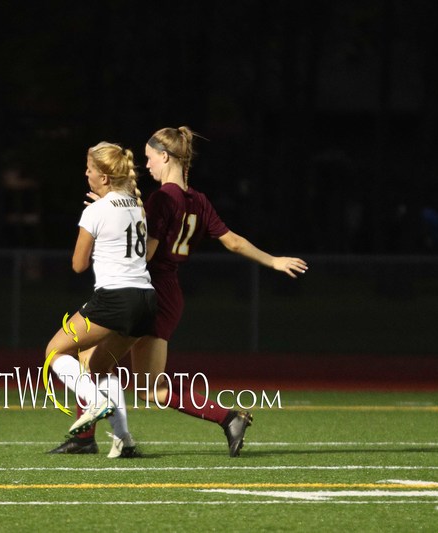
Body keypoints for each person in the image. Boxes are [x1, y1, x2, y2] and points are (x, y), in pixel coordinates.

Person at [49, 126, 308, 457]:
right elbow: (233, 242)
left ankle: (221, 418)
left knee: (130, 379)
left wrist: (106, 214)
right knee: (111, 369)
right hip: (168, 293)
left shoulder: (162, 199)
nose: (147, 166)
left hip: (147, 290)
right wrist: (272, 260)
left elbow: (145, 253)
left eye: (150, 158)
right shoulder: (198, 200)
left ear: (165, 156)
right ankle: (90, 437)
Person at [44, 141, 156, 459]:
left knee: (54, 352)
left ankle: (95, 401)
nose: (86, 173)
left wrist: (92, 223)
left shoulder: (94, 211)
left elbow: (78, 265)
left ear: (104, 177)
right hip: (147, 300)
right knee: (101, 367)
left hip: (115, 299)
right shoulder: (136, 206)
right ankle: (124, 440)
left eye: (90, 169)